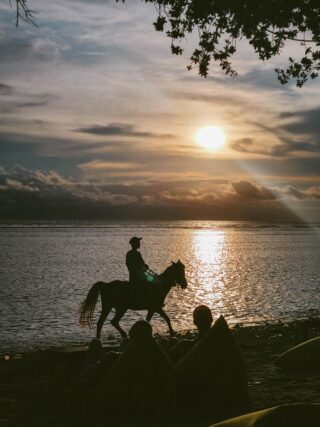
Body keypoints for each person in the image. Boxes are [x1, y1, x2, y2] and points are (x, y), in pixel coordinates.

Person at [126, 237, 152, 303]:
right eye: (138, 243)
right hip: (137, 276)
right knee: (151, 281)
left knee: (151, 278)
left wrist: (145, 267)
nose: (139, 244)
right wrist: (144, 268)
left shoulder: (130, 253)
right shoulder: (136, 254)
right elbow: (139, 265)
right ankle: (150, 300)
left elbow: (141, 265)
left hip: (137, 274)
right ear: (135, 244)